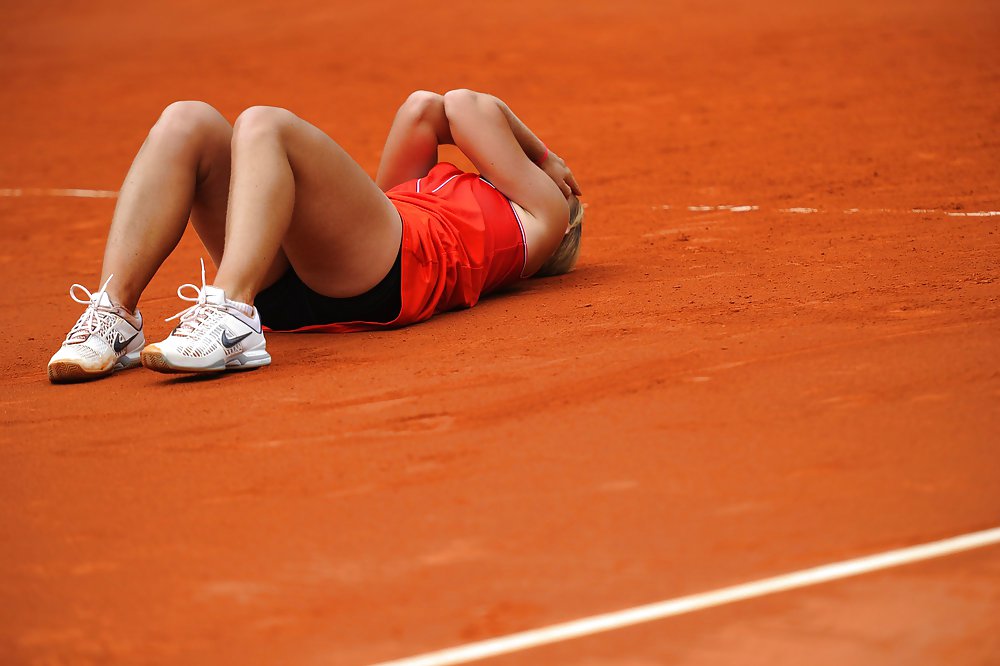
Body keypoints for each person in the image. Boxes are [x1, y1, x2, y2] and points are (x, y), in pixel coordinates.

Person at [46, 89, 583, 383]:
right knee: (186, 121)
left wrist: (543, 157)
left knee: (265, 124)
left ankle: (232, 311)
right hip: (323, 271)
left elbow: (465, 106)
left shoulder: (543, 219)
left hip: (395, 272)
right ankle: (115, 315)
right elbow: (423, 110)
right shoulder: (435, 197)